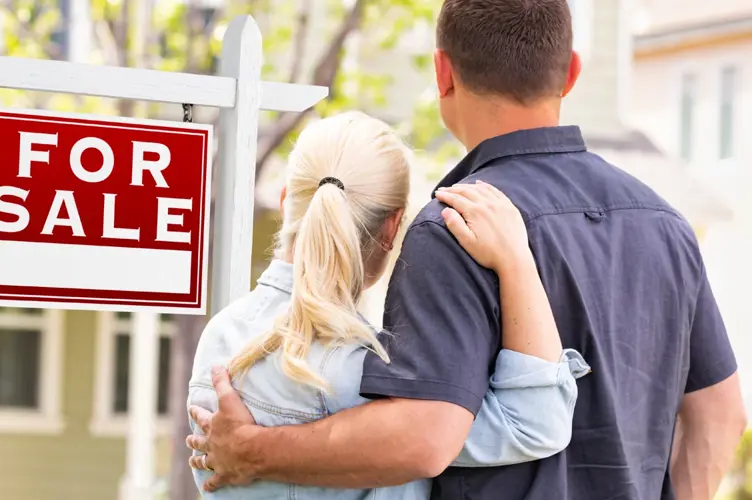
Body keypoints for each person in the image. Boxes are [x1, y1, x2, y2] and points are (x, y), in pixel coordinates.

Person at [187, 0, 747, 498]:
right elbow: (720, 415)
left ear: (442, 71)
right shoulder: (666, 225)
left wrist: (254, 450)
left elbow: (424, 435)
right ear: (573, 73)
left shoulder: (453, 229)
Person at [186, 110, 590, 499]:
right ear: (394, 226)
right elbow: (535, 422)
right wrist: (516, 259)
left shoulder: (219, 338)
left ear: (286, 197)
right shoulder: (366, 372)